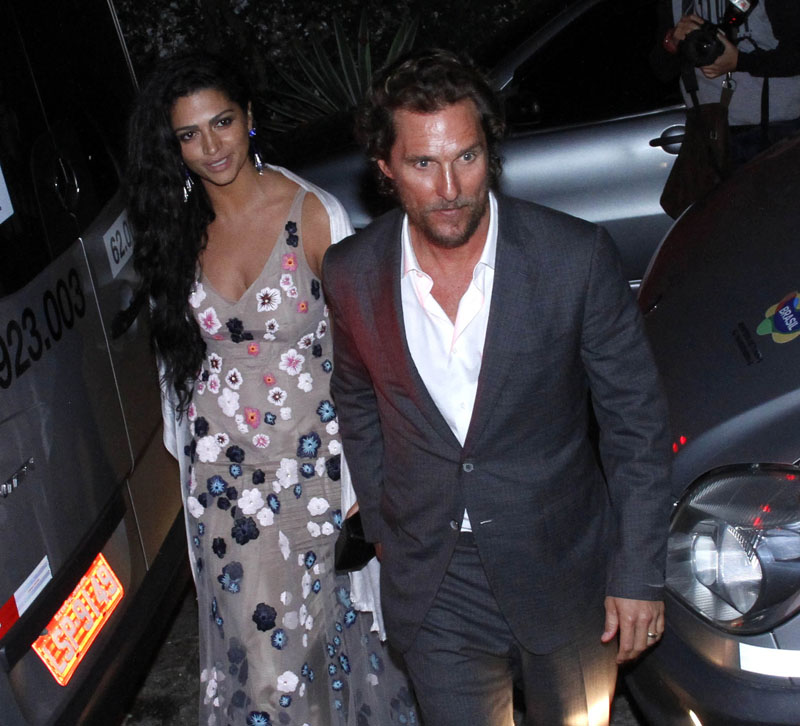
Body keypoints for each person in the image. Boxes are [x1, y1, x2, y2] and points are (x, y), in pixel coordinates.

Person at [323, 48, 673, 726]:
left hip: (561, 571)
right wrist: (385, 520)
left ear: (491, 151)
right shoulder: (352, 272)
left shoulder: (573, 258)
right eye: (423, 163)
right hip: (434, 579)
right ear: (385, 168)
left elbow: (636, 422)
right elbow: (358, 396)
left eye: (467, 156)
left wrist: (637, 573)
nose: (450, 186)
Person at [126, 53, 419, 726]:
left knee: (317, 648)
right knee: (264, 667)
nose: (211, 146)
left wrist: (365, 477)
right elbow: (177, 367)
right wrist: (190, 466)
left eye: (222, 122)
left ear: (250, 118)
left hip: (312, 476)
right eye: (189, 134)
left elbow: (365, 351)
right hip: (224, 485)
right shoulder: (175, 228)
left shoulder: (312, 214)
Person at [653, 0, 800, 166]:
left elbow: (795, 53)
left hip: (777, 129)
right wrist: (672, 43)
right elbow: (661, 70)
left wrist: (740, 61)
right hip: (710, 131)